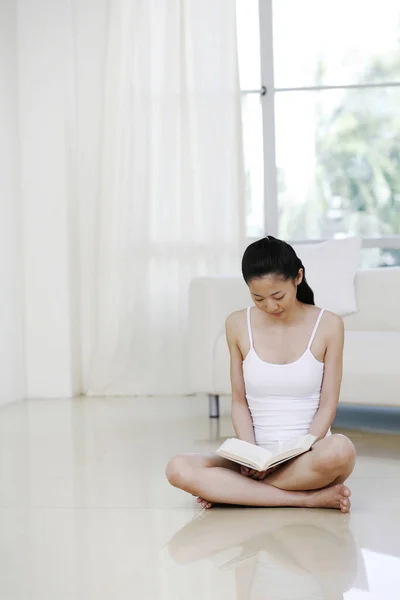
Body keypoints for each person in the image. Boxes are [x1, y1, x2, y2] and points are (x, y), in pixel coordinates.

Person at [166, 236, 356, 512]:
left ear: (298, 277)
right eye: (258, 298)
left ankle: (238, 493)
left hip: (308, 456)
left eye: (278, 296)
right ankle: (306, 499)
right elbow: (240, 400)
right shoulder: (237, 323)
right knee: (178, 467)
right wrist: (249, 455)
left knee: (341, 451)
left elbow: (328, 404)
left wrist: (300, 451)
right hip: (254, 458)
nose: (270, 306)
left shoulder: (329, 324)